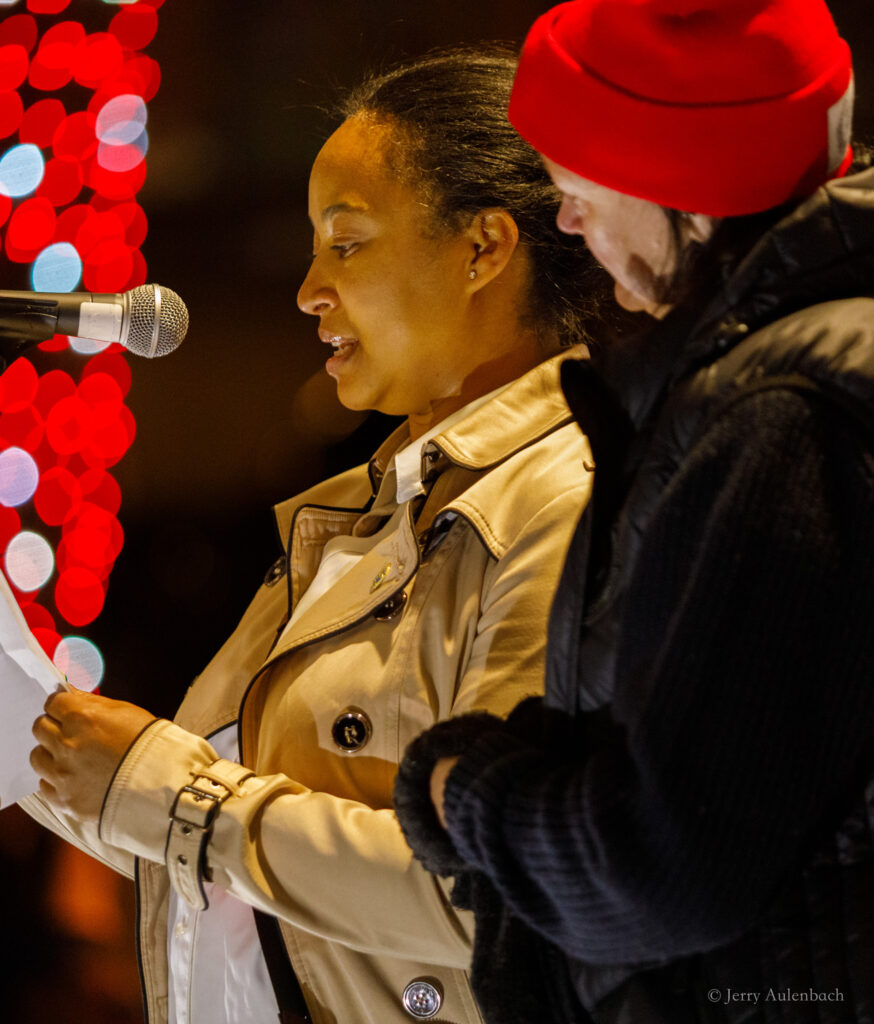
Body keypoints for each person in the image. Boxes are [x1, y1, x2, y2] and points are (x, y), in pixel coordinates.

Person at [21, 46, 603, 1024]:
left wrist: (163, 791)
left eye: (346, 241)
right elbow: (232, 842)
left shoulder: (562, 494)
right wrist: (67, 758)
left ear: (483, 247)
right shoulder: (368, 510)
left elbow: (491, 888)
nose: (307, 290)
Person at [393, 3, 874, 1022]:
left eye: (577, 182)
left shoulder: (780, 421)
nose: (565, 220)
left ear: (685, 187)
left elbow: (660, 869)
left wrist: (458, 790)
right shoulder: (772, 379)